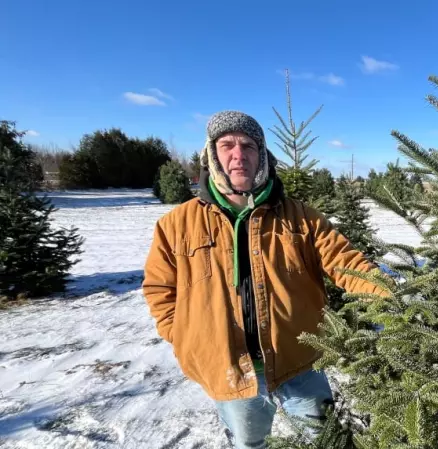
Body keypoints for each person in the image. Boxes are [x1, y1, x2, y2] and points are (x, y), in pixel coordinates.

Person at [142, 110, 387, 448]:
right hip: (228, 368)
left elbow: (347, 262)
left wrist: (392, 300)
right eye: (226, 145)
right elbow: (159, 290)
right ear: (212, 155)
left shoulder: (300, 217)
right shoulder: (176, 224)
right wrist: (185, 335)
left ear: (263, 155)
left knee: (327, 442)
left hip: (298, 359)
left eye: (248, 146)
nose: (238, 154)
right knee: (249, 444)